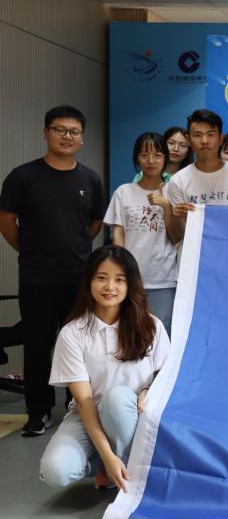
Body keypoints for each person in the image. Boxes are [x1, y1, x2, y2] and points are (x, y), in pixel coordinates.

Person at [0, 105, 105, 436]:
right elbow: (7, 221)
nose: (67, 136)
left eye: (74, 132)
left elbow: (94, 223)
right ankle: (39, 412)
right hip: (37, 276)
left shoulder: (90, 179)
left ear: (82, 138)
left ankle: (77, 408)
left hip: (78, 277)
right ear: (46, 133)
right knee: (37, 345)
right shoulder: (23, 177)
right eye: (60, 130)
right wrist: (31, 250)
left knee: (79, 345)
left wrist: (73, 249)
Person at [38, 245, 169, 491]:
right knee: (56, 471)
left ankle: (123, 465)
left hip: (134, 414)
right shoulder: (73, 333)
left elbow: (168, 375)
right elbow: (84, 400)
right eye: (101, 278)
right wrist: (107, 456)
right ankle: (104, 463)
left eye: (119, 279)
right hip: (87, 414)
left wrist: (148, 390)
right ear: (89, 281)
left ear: (130, 284)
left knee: (117, 399)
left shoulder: (151, 326)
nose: (110, 287)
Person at [103, 132, 178, 334]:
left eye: (157, 155)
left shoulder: (173, 192)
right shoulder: (123, 192)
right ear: (137, 158)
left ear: (165, 158)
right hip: (131, 277)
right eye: (144, 155)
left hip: (163, 277)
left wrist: (166, 207)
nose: (151, 161)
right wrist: (120, 272)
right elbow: (118, 234)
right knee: (128, 331)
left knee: (161, 334)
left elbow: (176, 237)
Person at [165, 109, 228, 244]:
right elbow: (180, 236)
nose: (204, 141)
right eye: (197, 135)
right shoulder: (178, 181)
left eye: (210, 134)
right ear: (188, 140)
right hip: (194, 254)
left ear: (220, 139)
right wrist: (178, 217)